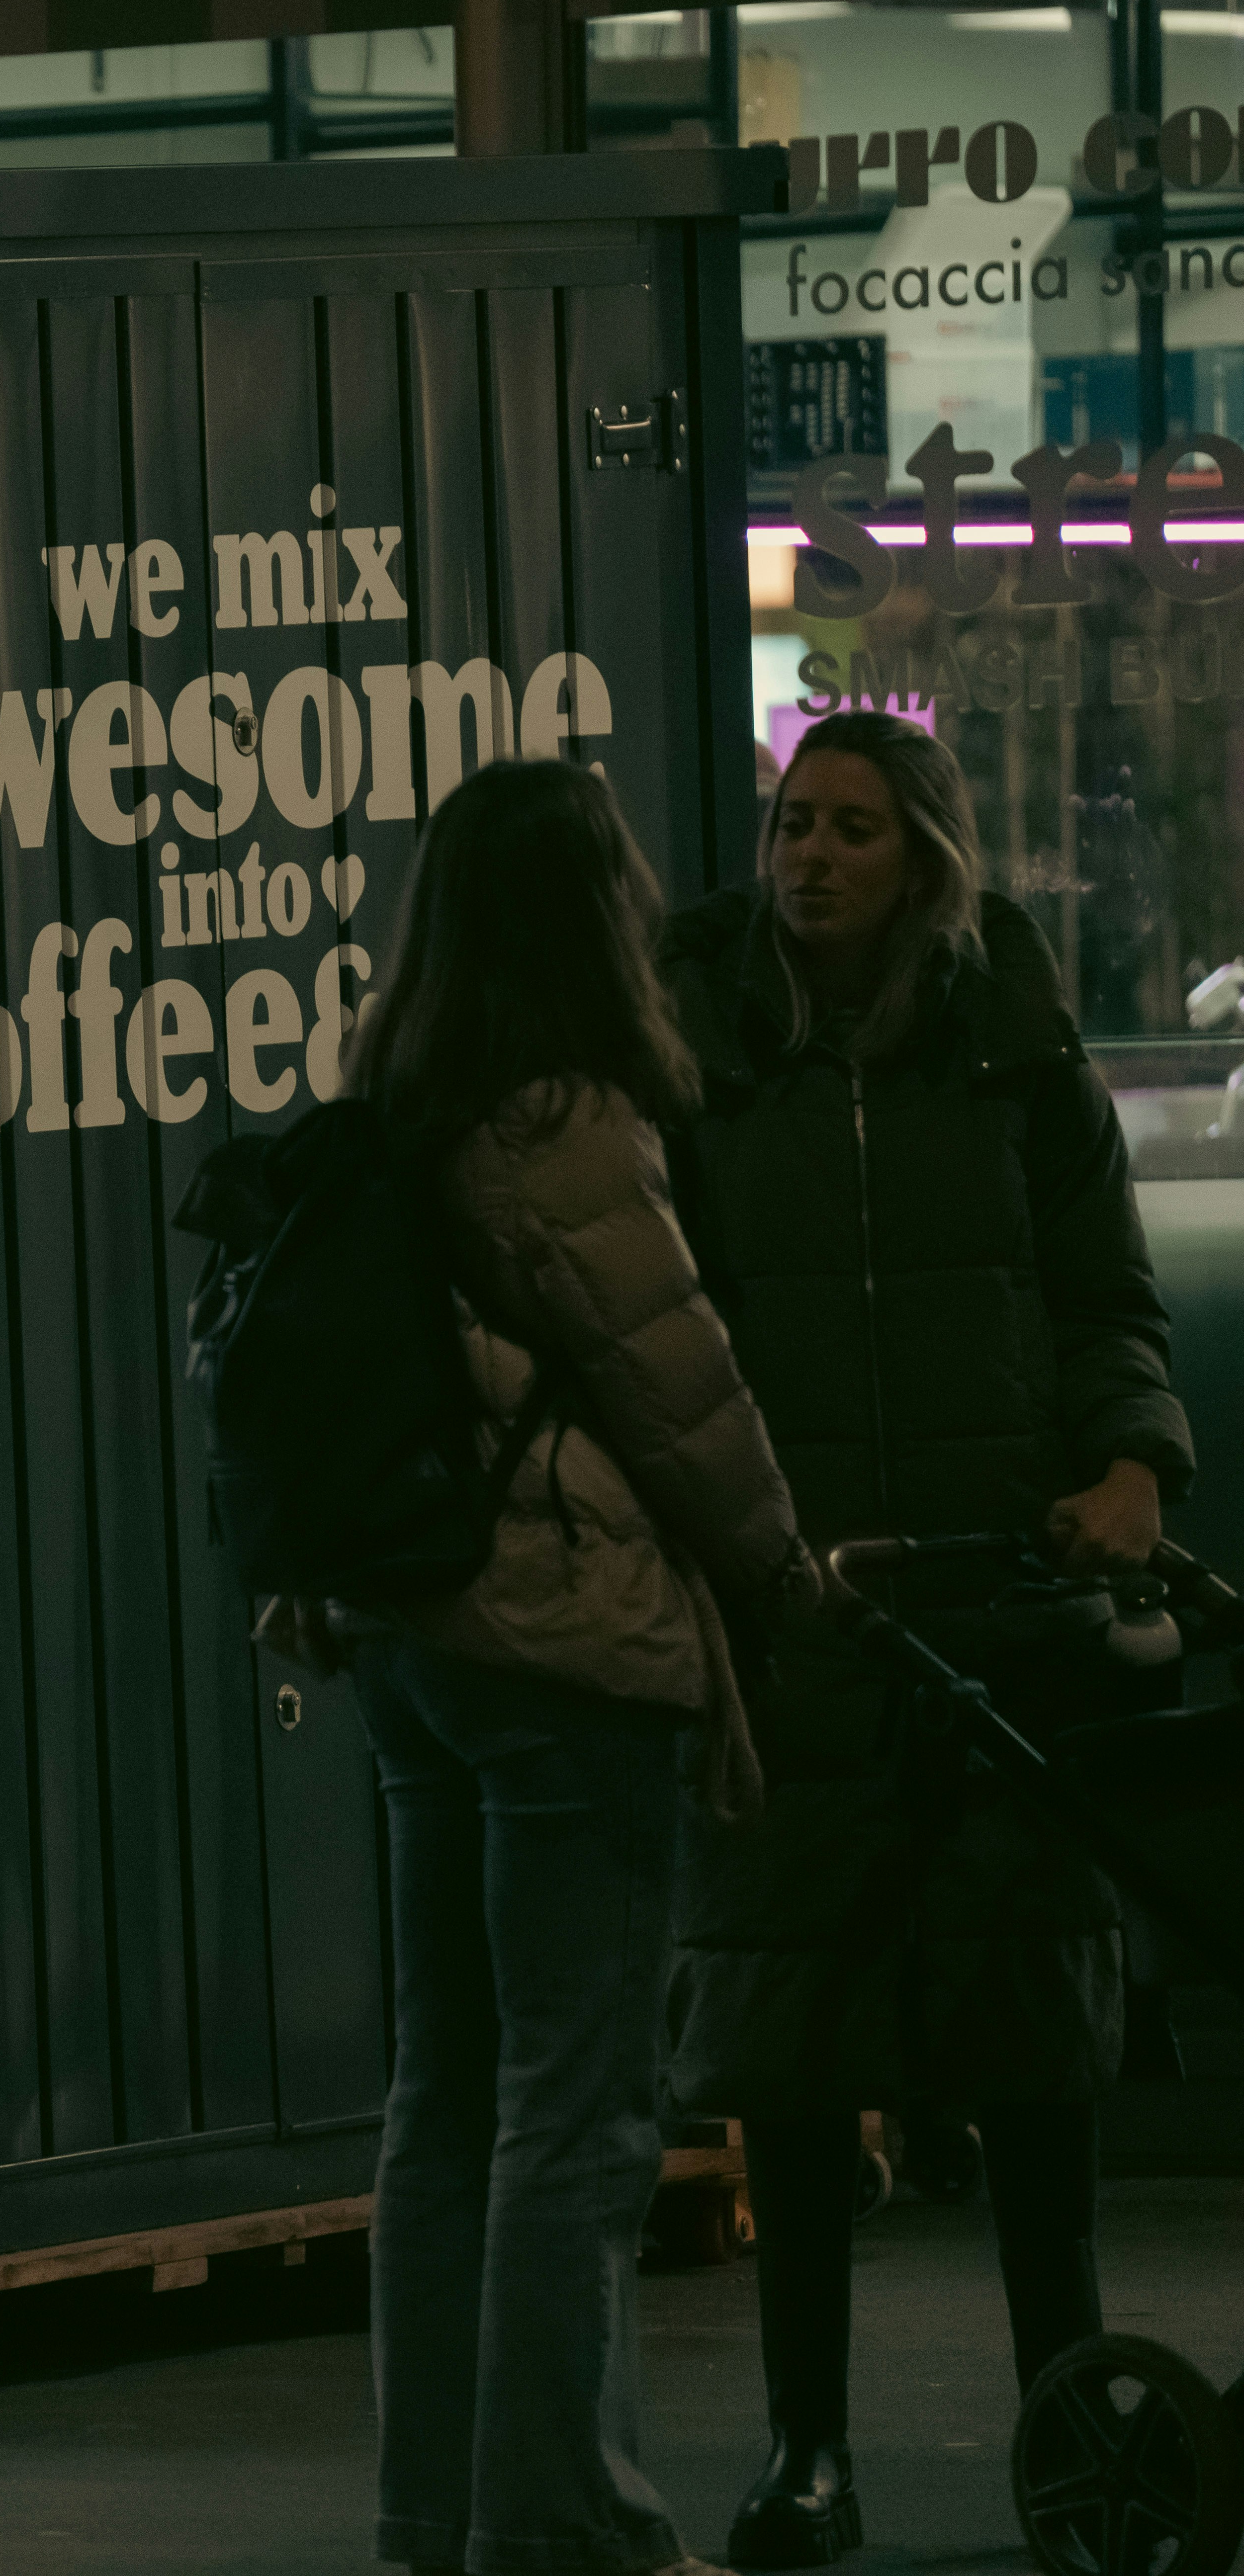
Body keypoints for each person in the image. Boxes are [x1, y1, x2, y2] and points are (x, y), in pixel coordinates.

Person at [659, 709, 1194, 2570]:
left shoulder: (1018, 1051)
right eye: (791, 825)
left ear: (929, 860)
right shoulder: (703, 1053)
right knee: (801, 2052)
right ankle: (810, 2448)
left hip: (1003, 1605)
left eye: (851, 831)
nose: (805, 858)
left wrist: (1131, 1460)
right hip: (804, 1613)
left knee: (1031, 2046)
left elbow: (1099, 1290)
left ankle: (1068, 2427)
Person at [315, 758, 825, 2576]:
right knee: (580, 2106)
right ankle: (569, 2524)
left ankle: (435, 2511)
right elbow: (679, 1393)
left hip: (411, 1643)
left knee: (442, 2097)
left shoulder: (387, 1106)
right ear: (587, 917)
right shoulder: (570, 1125)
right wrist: (780, 1573)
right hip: (566, 1640)